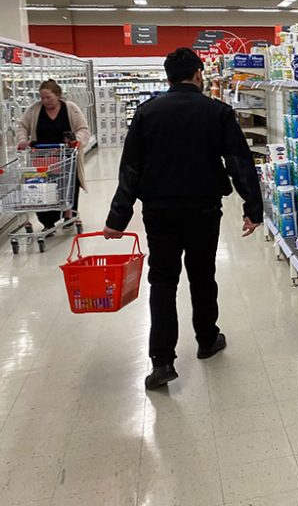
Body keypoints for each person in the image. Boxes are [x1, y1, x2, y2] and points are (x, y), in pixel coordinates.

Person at [104, 48, 263, 391]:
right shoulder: (217, 112)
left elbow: (130, 168)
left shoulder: (147, 113)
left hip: (159, 211)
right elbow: (239, 160)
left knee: (162, 281)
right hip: (203, 209)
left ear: (167, 77)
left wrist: (117, 218)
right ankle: (207, 339)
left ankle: (162, 361)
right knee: (202, 275)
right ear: (197, 74)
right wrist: (253, 208)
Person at [15, 79, 90, 230]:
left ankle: (69, 213)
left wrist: (77, 140)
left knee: (68, 185)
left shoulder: (70, 108)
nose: (45, 101)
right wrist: (23, 140)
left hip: (66, 155)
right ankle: (47, 222)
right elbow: (22, 127)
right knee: (43, 188)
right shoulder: (34, 110)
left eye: (48, 97)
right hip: (42, 157)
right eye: (42, 98)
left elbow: (83, 129)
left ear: (58, 95)